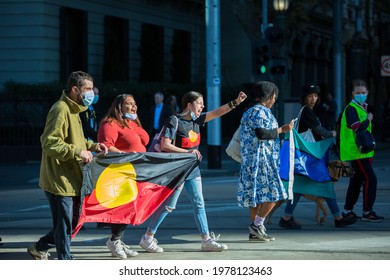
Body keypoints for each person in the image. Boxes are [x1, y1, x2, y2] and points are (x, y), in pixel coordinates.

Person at [139, 90, 247, 253]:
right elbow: (165, 145)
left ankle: (206, 240)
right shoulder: (174, 120)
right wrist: (187, 152)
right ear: (189, 105)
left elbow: (218, 112)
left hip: (193, 170)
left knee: (199, 203)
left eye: (203, 103)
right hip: (177, 170)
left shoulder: (198, 120)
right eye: (199, 103)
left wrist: (236, 102)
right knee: (169, 206)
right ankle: (147, 237)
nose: (202, 106)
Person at [27, 71, 108, 260]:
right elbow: (49, 142)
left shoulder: (74, 109)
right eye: (87, 89)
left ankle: (39, 248)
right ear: (74, 89)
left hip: (71, 178)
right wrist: (78, 152)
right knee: (65, 225)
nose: (91, 94)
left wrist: (93, 146)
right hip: (59, 180)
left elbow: (76, 140)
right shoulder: (61, 109)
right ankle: (65, 261)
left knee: (71, 222)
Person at [279, 84, 356, 229]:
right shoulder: (307, 111)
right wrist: (332, 134)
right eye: (310, 96)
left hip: (307, 160)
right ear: (304, 98)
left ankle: (286, 217)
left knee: (299, 188)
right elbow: (319, 130)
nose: (313, 98)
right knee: (325, 184)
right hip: (309, 159)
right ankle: (338, 218)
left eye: (315, 95)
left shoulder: (308, 111)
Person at [238, 81, 293, 242]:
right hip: (262, 161)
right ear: (270, 96)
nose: (274, 100)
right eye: (274, 96)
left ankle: (255, 229)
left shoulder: (250, 111)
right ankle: (257, 225)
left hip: (252, 161)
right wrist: (283, 129)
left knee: (255, 197)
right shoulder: (260, 112)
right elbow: (262, 134)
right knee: (276, 193)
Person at [97, 93, 149, 258]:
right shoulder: (110, 124)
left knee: (130, 209)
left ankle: (118, 240)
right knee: (122, 209)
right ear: (119, 106)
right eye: (129, 104)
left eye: (135, 104)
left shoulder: (130, 123)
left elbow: (144, 141)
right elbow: (105, 146)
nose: (134, 106)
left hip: (136, 172)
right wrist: (124, 155)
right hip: (120, 173)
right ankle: (114, 240)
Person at [340, 80, 383, 222]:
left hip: (364, 151)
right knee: (371, 179)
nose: (360, 95)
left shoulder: (363, 107)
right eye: (357, 93)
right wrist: (369, 120)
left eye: (363, 93)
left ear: (367, 93)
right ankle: (367, 211)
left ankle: (347, 210)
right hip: (356, 151)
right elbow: (357, 128)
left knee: (357, 181)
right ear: (352, 93)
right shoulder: (351, 108)